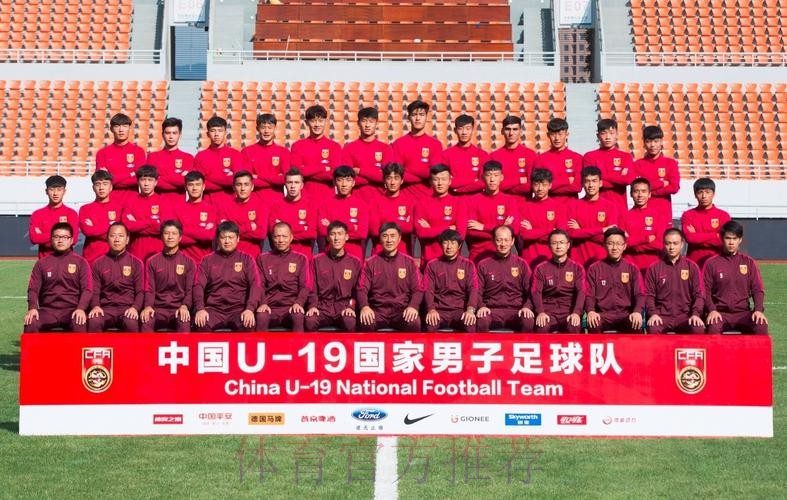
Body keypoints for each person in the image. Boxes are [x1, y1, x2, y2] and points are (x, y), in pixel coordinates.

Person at [193, 221, 260, 332]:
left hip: (238, 309)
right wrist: (200, 308)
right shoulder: (207, 260)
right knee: (200, 323)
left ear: (238, 239)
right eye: (223, 237)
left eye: (231, 237)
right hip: (214, 309)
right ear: (217, 239)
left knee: (248, 324)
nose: (227, 241)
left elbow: (255, 285)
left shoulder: (247, 259)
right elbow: (198, 285)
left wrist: (249, 309)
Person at [24, 223, 91, 332]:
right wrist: (32, 308)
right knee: (31, 321)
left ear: (71, 240)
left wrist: (81, 308)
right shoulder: (42, 263)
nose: (60, 240)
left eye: (65, 237)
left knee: (79, 321)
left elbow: (87, 290)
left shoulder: (81, 262)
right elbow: (33, 289)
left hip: (72, 310)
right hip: (47, 311)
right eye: (56, 237)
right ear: (51, 240)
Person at [704, 221, 768, 334]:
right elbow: (705, 291)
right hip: (720, 313)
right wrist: (712, 310)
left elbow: (757, 289)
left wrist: (758, 310)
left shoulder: (749, 262)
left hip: (743, 313)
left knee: (761, 325)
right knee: (713, 327)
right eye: (728, 238)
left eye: (735, 238)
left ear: (740, 240)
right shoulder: (711, 263)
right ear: (721, 239)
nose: (731, 242)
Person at [358, 223, 423, 332]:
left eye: (393, 236)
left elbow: (418, 289)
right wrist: (364, 306)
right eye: (385, 236)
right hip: (378, 311)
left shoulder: (409, 262)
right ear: (380, 239)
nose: (389, 240)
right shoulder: (370, 263)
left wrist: (413, 306)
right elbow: (361, 289)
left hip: (401, 311)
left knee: (414, 322)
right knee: (365, 322)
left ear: (399, 238)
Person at [645, 228, 705, 334]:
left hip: (686, 316)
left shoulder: (692, 267)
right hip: (661, 317)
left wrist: (696, 314)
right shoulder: (654, 268)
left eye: (675, 243)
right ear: (663, 244)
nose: (671, 247)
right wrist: (653, 314)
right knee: (653, 328)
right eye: (668, 243)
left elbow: (699, 295)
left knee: (697, 328)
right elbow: (649, 295)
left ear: (682, 244)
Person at [584, 228, 645, 333]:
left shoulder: (632, 268)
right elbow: (589, 295)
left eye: (618, 244)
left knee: (635, 323)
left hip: (626, 314)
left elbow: (640, 294)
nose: (614, 248)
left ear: (624, 246)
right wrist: (591, 311)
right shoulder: (594, 269)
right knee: (593, 323)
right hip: (603, 315)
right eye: (610, 243)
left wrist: (637, 311)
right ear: (604, 245)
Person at [305, 221, 362, 332]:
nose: (336, 238)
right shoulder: (317, 261)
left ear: (346, 237)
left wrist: (351, 307)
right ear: (327, 238)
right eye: (333, 234)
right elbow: (312, 288)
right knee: (310, 320)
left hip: (344, 307)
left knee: (350, 321)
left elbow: (357, 290)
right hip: (322, 307)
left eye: (340, 234)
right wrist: (312, 306)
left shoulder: (355, 262)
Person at [87, 222, 144, 332]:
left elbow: (140, 291)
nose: (116, 239)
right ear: (107, 239)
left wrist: (135, 308)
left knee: (131, 322)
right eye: (113, 236)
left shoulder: (136, 263)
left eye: (121, 236)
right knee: (94, 321)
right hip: (105, 309)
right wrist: (95, 306)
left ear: (127, 239)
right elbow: (94, 291)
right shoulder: (98, 263)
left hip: (128, 308)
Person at [140, 220, 195, 333]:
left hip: (179, 308)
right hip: (157, 309)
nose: (170, 237)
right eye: (166, 233)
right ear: (161, 237)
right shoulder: (152, 261)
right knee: (146, 320)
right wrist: (148, 306)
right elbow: (149, 289)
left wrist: (185, 306)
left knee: (184, 321)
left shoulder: (189, 262)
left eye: (174, 234)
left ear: (180, 238)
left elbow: (190, 290)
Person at [476, 225, 534, 332]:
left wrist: (527, 307)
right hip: (491, 310)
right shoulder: (483, 265)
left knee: (528, 321)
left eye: (506, 240)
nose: (503, 244)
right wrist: (481, 306)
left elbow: (531, 291)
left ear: (512, 241)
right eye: (499, 240)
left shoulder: (521, 264)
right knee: (482, 320)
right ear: (493, 241)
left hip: (516, 310)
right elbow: (477, 291)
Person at [256, 222, 312, 332]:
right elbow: (259, 285)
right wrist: (263, 303)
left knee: (298, 315)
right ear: (272, 238)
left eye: (284, 236)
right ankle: (261, 344)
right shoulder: (263, 259)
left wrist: (298, 303)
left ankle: (298, 343)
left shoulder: (301, 259)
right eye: (277, 236)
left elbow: (305, 286)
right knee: (261, 316)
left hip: (291, 305)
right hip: (270, 306)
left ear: (291, 237)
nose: (281, 240)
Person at [423, 229, 479, 332]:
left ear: (459, 246)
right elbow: (428, 290)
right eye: (446, 243)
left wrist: (470, 310)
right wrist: (431, 309)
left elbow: (473, 289)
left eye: (453, 243)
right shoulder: (432, 265)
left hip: (460, 310)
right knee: (430, 325)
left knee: (470, 324)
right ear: (441, 245)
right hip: (439, 311)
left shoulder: (468, 265)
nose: (449, 247)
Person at [413, 164, 468, 265]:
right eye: (436, 179)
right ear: (430, 182)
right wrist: (448, 228)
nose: (440, 183)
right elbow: (421, 233)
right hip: (429, 262)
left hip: (453, 262)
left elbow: (460, 235)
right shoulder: (421, 203)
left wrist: (431, 229)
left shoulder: (459, 203)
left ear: (450, 181)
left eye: (443, 179)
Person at [566, 166, 620, 269]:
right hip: (578, 260)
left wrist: (581, 230)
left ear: (600, 183)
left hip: (602, 261)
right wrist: (602, 230)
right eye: (587, 181)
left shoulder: (610, 206)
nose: (591, 185)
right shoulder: (573, 205)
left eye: (594, 181)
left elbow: (609, 238)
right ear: (582, 184)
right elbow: (571, 233)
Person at [465, 161, 518, 264]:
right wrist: (502, 229)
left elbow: (514, 230)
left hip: (502, 255)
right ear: (482, 177)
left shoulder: (510, 201)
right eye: (488, 175)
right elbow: (471, 232)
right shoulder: (472, 200)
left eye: (496, 175)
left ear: (501, 177)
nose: (492, 179)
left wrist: (483, 227)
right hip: (478, 256)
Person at [532, 229, 585, 333]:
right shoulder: (541, 268)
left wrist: (576, 313)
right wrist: (540, 312)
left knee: (574, 326)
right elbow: (536, 292)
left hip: (569, 312)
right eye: (554, 243)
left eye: (561, 242)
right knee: (542, 325)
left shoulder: (577, 268)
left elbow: (581, 292)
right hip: (548, 312)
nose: (558, 246)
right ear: (549, 246)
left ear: (568, 245)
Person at [517, 168, 567, 269]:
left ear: (550, 185)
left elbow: (560, 236)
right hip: (529, 259)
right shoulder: (523, 207)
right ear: (531, 185)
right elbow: (524, 235)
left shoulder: (559, 207)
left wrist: (533, 231)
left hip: (552, 258)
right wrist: (550, 231)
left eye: (544, 185)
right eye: (536, 184)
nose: (540, 188)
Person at [123, 166, 175, 262]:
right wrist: (153, 222)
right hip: (135, 253)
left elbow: (165, 227)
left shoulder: (163, 201)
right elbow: (127, 226)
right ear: (138, 181)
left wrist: (138, 223)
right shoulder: (131, 201)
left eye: (150, 180)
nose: (146, 184)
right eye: (143, 180)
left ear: (156, 182)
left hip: (158, 253)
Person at [392, 100, 443, 197]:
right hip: (404, 198)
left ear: (426, 117)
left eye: (421, 114)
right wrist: (422, 175)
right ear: (409, 117)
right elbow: (397, 175)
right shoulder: (398, 144)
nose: (418, 118)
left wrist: (407, 170)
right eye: (414, 114)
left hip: (428, 198)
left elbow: (434, 173)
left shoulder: (435, 144)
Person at [290, 104, 343, 198]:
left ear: (325, 122)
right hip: (304, 199)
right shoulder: (297, 146)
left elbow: (334, 175)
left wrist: (306, 172)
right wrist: (323, 168)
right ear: (306, 122)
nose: (317, 124)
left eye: (321, 121)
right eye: (313, 121)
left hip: (328, 199)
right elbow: (297, 172)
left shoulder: (335, 147)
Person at [317, 166, 370, 259]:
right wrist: (353, 227)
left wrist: (331, 225)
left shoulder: (361, 205)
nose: (344, 184)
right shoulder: (325, 204)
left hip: (354, 256)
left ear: (353, 183)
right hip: (331, 255)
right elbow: (322, 231)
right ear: (334, 182)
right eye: (340, 180)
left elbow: (362, 233)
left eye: (348, 180)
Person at [583, 119, 635, 212]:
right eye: (604, 133)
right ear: (598, 135)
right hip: (596, 209)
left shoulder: (626, 157)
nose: (608, 137)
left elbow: (627, 180)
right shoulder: (589, 156)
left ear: (617, 134)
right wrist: (618, 178)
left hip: (619, 209)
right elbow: (591, 183)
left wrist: (600, 177)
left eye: (611, 133)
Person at [193, 115, 247, 204]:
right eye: (213, 131)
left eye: (220, 131)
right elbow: (198, 184)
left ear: (225, 132)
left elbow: (238, 181)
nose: (216, 134)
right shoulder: (200, 156)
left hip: (231, 204)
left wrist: (208, 178)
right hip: (208, 204)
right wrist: (226, 178)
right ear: (207, 134)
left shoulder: (235, 154)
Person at [341, 107, 394, 195]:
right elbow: (347, 180)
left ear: (377, 124)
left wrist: (359, 171)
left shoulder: (386, 149)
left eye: (371, 121)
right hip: (356, 199)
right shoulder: (349, 148)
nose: (367, 125)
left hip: (380, 198)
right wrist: (374, 175)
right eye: (364, 121)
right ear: (358, 123)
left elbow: (387, 178)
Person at [680, 177, 731, 269]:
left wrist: (698, 236)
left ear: (713, 194)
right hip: (694, 264)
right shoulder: (688, 215)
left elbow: (723, 240)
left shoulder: (723, 216)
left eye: (707, 192)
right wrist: (715, 235)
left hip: (717, 264)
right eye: (700, 192)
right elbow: (690, 238)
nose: (704, 196)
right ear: (695, 195)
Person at [622, 178, 669, 276]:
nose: (640, 195)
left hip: (653, 267)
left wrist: (634, 244)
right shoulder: (624, 216)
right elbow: (623, 243)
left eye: (643, 191)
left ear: (649, 194)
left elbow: (659, 244)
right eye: (636, 191)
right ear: (631, 194)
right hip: (629, 267)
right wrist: (646, 239)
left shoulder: (658, 216)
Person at [95, 113, 146, 200]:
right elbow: (102, 181)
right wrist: (130, 174)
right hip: (110, 202)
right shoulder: (102, 153)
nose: (121, 130)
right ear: (111, 129)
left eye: (125, 126)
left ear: (129, 128)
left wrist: (112, 178)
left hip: (132, 201)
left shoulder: (138, 152)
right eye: (117, 126)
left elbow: (139, 179)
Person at [633, 125, 680, 222]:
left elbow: (674, 187)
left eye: (656, 141)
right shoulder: (637, 164)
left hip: (663, 214)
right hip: (642, 214)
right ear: (644, 143)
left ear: (661, 142)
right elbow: (637, 188)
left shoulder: (670, 163)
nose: (652, 145)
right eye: (648, 141)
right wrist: (661, 183)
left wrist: (648, 191)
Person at [367, 162, 415, 254]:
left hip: (403, 254)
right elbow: (374, 230)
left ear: (402, 180)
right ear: (384, 180)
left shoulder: (410, 202)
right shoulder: (374, 202)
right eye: (389, 178)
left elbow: (410, 228)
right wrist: (401, 225)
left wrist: (384, 226)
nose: (392, 182)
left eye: (396, 178)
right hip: (379, 254)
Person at [218, 170, 268, 258]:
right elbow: (224, 233)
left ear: (252, 187)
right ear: (233, 187)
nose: (242, 188)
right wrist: (249, 227)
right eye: (239, 184)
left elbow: (261, 234)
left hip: (252, 257)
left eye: (246, 184)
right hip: (230, 257)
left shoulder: (261, 206)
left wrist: (234, 231)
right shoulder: (225, 207)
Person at [268, 168, 317, 257]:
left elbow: (312, 233)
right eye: (289, 182)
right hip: (282, 257)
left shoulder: (310, 206)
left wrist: (286, 234)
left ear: (302, 185)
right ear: (285, 184)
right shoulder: (276, 207)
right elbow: (274, 232)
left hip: (303, 257)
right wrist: (302, 229)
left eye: (296, 182)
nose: (293, 186)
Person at [532, 118, 582, 201]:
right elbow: (540, 188)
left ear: (567, 134)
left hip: (571, 206)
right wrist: (567, 181)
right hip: (549, 206)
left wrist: (550, 185)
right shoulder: (540, 159)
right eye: (553, 134)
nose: (557, 138)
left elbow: (577, 187)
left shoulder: (577, 158)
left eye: (560, 134)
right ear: (548, 135)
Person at [146, 117, 193, 205]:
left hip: (178, 206)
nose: (171, 137)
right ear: (162, 134)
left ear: (180, 135)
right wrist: (178, 177)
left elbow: (185, 182)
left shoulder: (188, 158)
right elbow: (151, 182)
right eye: (167, 133)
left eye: (174, 133)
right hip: (156, 206)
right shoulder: (152, 157)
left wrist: (160, 177)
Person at [79, 170, 124, 264]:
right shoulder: (85, 209)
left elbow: (122, 234)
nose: (101, 188)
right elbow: (88, 231)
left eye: (105, 184)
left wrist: (95, 227)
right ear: (93, 188)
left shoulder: (119, 208)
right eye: (97, 184)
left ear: (111, 187)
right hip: (91, 259)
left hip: (114, 259)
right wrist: (111, 228)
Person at [29, 175, 79, 258]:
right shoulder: (37, 214)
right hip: (45, 261)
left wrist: (44, 237)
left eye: (59, 190)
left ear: (64, 191)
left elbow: (73, 240)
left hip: (66, 260)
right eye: (52, 189)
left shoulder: (71, 213)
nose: (55, 193)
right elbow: (34, 238)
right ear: (46, 191)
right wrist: (63, 236)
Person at [241, 113, 290, 198]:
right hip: (254, 200)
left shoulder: (284, 152)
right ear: (257, 129)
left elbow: (285, 179)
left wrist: (258, 177)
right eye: (263, 127)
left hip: (277, 200)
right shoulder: (247, 152)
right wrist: (275, 179)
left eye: (270, 128)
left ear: (275, 128)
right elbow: (247, 181)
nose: (266, 131)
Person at [489, 115, 538, 196]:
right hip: (501, 203)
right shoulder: (493, 157)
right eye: (507, 129)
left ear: (520, 131)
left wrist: (505, 186)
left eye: (515, 129)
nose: (511, 133)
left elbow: (530, 187)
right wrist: (519, 181)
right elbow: (492, 186)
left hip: (523, 202)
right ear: (502, 131)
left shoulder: (531, 155)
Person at [177, 171, 219, 263]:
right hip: (184, 262)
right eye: (191, 185)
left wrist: (184, 230)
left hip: (206, 262)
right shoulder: (178, 209)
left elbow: (210, 236)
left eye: (198, 184)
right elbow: (177, 238)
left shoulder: (211, 209)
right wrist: (201, 233)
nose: (194, 188)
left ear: (203, 187)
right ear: (185, 187)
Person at [441, 114, 487, 195]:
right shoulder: (446, 155)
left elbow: (483, 182)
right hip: (454, 200)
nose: (464, 132)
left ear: (473, 130)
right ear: (455, 130)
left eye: (468, 128)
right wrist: (473, 180)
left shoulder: (482, 155)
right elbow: (445, 182)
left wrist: (459, 190)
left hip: (475, 200)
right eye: (460, 128)